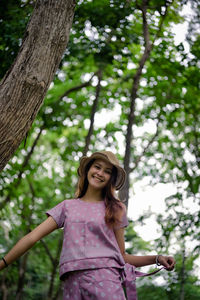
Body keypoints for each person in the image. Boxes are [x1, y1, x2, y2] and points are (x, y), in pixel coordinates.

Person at [0, 151, 175, 299]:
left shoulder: (115, 208)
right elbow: (32, 237)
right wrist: (2, 263)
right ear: (88, 169)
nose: (100, 173)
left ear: (110, 179)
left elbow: (122, 256)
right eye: (97, 167)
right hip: (71, 285)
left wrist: (157, 258)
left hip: (106, 280)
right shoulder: (67, 206)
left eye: (107, 171)